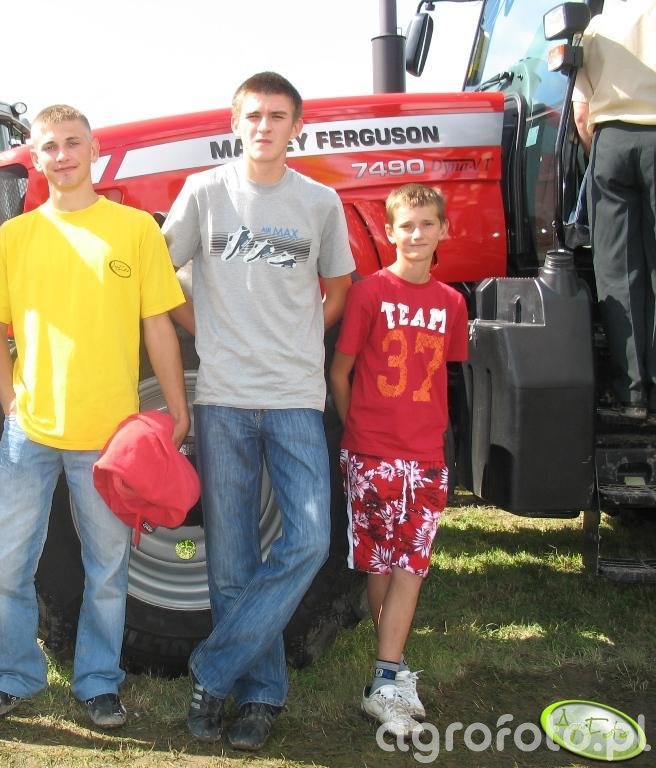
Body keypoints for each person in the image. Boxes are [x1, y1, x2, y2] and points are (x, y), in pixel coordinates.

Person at [0, 104, 188, 729]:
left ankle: (98, 683)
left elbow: (159, 324)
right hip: (29, 434)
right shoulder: (16, 236)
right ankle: (14, 676)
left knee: (108, 570)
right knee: (5, 563)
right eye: (50, 146)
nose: (62, 155)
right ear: (37, 158)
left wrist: (177, 408)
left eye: (73, 143)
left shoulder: (134, 230)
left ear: (94, 151)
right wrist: (11, 405)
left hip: (109, 434)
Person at [162, 71, 354, 751]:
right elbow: (161, 275)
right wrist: (205, 332)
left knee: (310, 539)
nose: (265, 126)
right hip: (223, 399)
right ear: (235, 123)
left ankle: (213, 670)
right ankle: (259, 695)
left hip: (296, 397)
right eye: (254, 115)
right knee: (232, 556)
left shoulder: (320, 202)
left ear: (297, 126)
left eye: (277, 116)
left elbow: (337, 288)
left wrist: (299, 338)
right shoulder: (204, 192)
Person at [329, 183, 468, 739]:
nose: (416, 234)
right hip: (371, 454)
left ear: (443, 230)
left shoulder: (451, 302)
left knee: (413, 563)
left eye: (427, 224)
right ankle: (394, 666)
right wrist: (357, 431)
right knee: (380, 564)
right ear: (389, 232)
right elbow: (340, 372)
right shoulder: (369, 294)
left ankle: (385, 677)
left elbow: (440, 379)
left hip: (424, 454)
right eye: (406, 225)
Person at [571, 0, 656, 420]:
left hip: (611, 143)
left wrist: (602, 151)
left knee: (618, 273)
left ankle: (633, 395)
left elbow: (580, 113)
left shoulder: (596, 27)